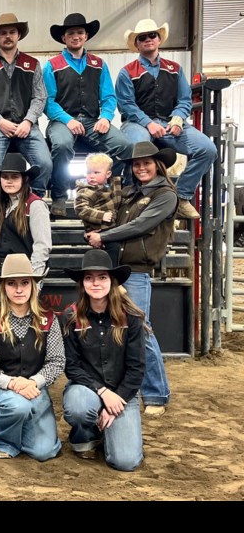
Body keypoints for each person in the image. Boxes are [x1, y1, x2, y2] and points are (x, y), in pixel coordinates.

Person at [85, 142, 176, 416]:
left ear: (157, 164)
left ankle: (156, 393)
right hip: (116, 267)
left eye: (146, 163)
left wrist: (104, 236)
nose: (141, 167)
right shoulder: (128, 193)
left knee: (140, 330)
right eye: (137, 164)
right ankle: (136, 390)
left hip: (135, 269)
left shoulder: (165, 195)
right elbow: (112, 222)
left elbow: (140, 225)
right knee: (126, 329)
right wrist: (93, 231)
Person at [117, 18, 217, 220]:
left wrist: (178, 119)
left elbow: (184, 99)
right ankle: (132, 196)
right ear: (136, 44)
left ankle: (181, 196)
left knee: (208, 149)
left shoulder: (175, 69)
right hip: (138, 122)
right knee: (138, 145)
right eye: (142, 37)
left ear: (159, 38)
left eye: (152, 35)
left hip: (169, 122)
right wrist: (149, 123)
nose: (147, 39)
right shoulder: (127, 72)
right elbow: (126, 104)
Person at [61, 249, 146, 471]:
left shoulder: (132, 317)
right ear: (82, 284)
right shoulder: (71, 316)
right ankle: (86, 434)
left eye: (102, 277)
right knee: (78, 407)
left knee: (125, 462)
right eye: (89, 278)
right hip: (87, 389)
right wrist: (102, 392)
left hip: (122, 392)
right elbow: (72, 366)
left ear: (112, 281)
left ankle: (110, 428)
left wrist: (116, 402)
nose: (95, 283)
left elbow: (136, 368)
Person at [0, 254, 64, 461]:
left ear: (33, 285)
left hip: (35, 388)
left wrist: (32, 382)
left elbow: (57, 361)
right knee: (17, 406)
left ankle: (21, 428)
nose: (19, 289)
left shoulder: (48, 319)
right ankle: (1, 441)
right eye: (12, 283)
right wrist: (14, 383)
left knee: (45, 451)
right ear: (3, 287)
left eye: (25, 283)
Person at [44, 13, 131, 217]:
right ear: (64, 38)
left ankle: (107, 192)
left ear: (86, 36)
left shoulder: (99, 64)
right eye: (71, 33)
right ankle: (59, 196)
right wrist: (68, 120)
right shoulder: (52, 65)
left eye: (80, 32)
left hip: (93, 121)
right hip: (62, 121)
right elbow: (48, 101)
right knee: (62, 145)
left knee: (126, 147)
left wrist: (106, 117)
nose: (76, 36)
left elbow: (109, 96)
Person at [0, 13, 52, 196]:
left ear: (18, 36)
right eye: (3, 33)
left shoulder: (32, 64)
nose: (8, 36)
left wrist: (28, 121)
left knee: (45, 163)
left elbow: (40, 97)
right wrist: (0, 122)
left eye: (12, 32)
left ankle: (34, 200)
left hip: (27, 126)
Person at [0, 153, 52, 275]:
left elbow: (42, 245)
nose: (9, 181)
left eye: (14, 177)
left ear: (24, 179)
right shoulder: (3, 204)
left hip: (26, 270)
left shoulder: (35, 204)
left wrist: (34, 277)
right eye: (5, 177)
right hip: (2, 269)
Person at [75, 152, 122, 265]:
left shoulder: (109, 188)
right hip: (100, 229)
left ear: (108, 174)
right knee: (113, 251)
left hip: (111, 228)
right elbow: (80, 209)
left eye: (96, 172)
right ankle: (111, 274)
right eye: (88, 172)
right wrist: (102, 215)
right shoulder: (85, 190)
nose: (91, 176)